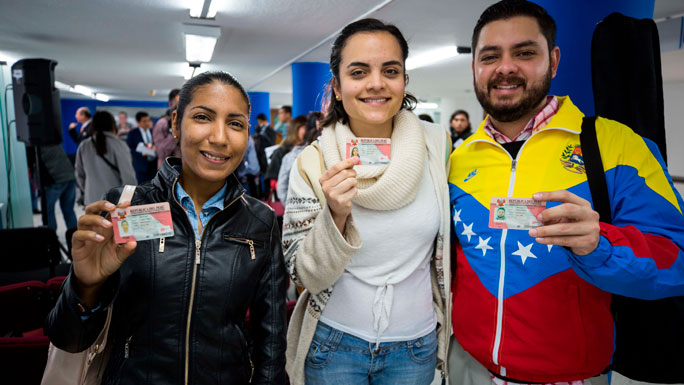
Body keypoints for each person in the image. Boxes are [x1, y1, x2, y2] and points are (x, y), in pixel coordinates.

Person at [447, 2, 684, 385]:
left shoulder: (615, 145)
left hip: (570, 376)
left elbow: (678, 258)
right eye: (490, 56)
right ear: (475, 67)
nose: (505, 67)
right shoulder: (458, 159)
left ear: (553, 61)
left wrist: (599, 244)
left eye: (525, 52)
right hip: (467, 367)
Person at [46, 71, 287, 384]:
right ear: (175, 123)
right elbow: (70, 340)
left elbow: (271, 342)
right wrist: (85, 286)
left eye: (235, 123)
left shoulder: (260, 222)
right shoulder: (124, 208)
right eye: (203, 117)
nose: (219, 137)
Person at [282, 18, 451, 385]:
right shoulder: (313, 162)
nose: (376, 83)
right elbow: (304, 275)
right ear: (338, 88)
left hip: (415, 346)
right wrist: (336, 217)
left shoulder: (437, 147)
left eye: (390, 70)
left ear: (404, 81)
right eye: (359, 72)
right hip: (334, 344)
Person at [74, 111, 137, 205]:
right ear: (113, 125)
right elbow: (128, 177)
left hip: (92, 202)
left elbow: (79, 174)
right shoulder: (119, 145)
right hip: (115, 203)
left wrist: (88, 191)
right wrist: (127, 201)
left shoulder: (84, 145)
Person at [264, 115, 306, 200]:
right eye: (305, 127)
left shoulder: (311, 149)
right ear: (296, 129)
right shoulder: (281, 152)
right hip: (287, 200)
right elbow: (273, 180)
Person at [38, 143, 78, 231]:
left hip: (54, 179)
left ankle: (51, 238)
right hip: (69, 176)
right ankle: (75, 236)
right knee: (69, 210)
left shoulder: (36, 145)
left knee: (48, 211)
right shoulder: (54, 139)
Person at [276, 115, 315, 204]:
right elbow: (282, 186)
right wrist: (290, 206)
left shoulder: (315, 150)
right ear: (295, 129)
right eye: (305, 127)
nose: (308, 131)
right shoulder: (285, 153)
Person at [153, 88, 181, 169]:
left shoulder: (187, 123)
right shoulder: (162, 123)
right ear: (170, 104)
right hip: (168, 173)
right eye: (178, 104)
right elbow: (161, 152)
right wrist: (174, 131)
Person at [126, 111, 157, 184]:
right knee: (141, 188)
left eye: (148, 120)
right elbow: (129, 149)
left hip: (154, 166)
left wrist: (155, 147)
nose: (147, 123)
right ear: (138, 122)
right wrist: (142, 153)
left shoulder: (153, 131)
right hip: (141, 166)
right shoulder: (133, 134)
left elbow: (158, 143)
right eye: (144, 121)